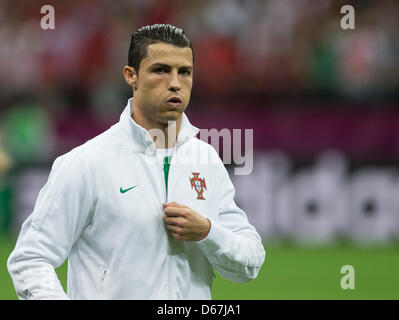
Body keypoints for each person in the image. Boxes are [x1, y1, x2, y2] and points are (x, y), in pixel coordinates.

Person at [7, 24, 265, 300]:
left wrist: (208, 233)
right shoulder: (86, 163)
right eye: (161, 70)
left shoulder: (206, 160)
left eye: (184, 72)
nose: (175, 82)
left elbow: (249, 263)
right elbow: (30, 259)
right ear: (131, 76)